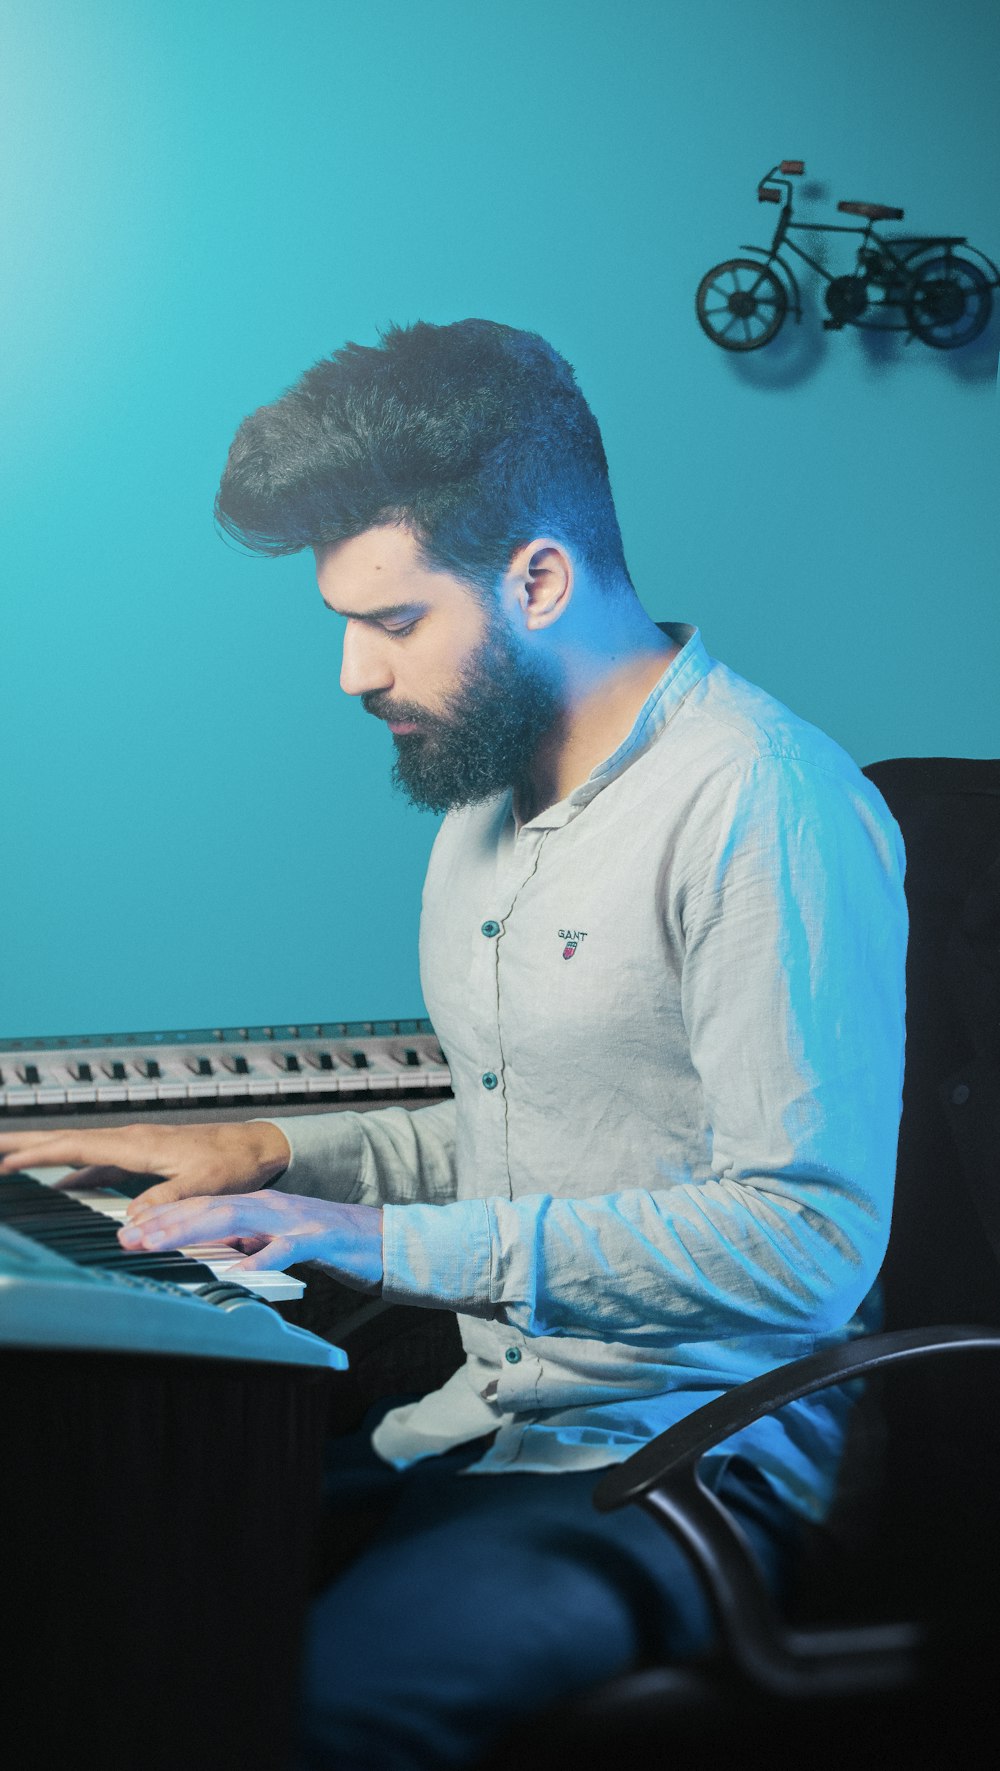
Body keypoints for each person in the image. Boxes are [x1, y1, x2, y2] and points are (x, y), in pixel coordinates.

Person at [0, 320, 908, 1769]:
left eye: (397, 619)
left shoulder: (765, 803)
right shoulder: (484, 802)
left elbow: (808, 1239)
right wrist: (272, 1148)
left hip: (679, 1469)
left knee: (288, 1716)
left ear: (538, 577)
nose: (355, 674)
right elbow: (538, 1134)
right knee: (87, 1605)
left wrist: (368, 1237)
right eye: (342, 621)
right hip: (479, 1430)